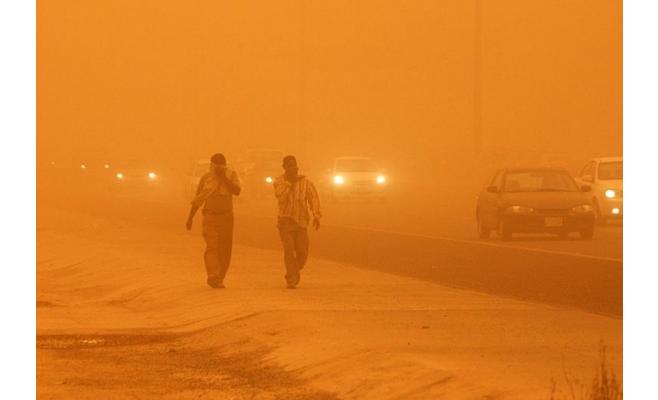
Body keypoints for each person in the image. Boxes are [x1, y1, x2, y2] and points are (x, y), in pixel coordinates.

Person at [186, 153, 241, 288]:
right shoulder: (206, 178)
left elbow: (237, 191)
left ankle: (219, 278)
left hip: (227, 217)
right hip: (210, 216)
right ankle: (212, 275)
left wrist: (223, 178)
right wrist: (190, 217)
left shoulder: (231, 176)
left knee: (225, 250)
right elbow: (199, 198)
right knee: (212, 246)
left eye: (220, 166)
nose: (217, 168)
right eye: (214, 165)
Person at [273, 155, 321, 289]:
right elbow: (280, 198)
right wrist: (290, 183)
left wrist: (316, 215)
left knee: (302, 252)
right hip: (286, 221)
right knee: (289, 251)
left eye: (294, 166)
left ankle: (293, 272)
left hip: (301, 222)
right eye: (289, 166)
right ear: (284, 168)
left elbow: (313, 199)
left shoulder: (305, 182)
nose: (293, 169)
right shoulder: (279, 182)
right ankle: (291, 278)